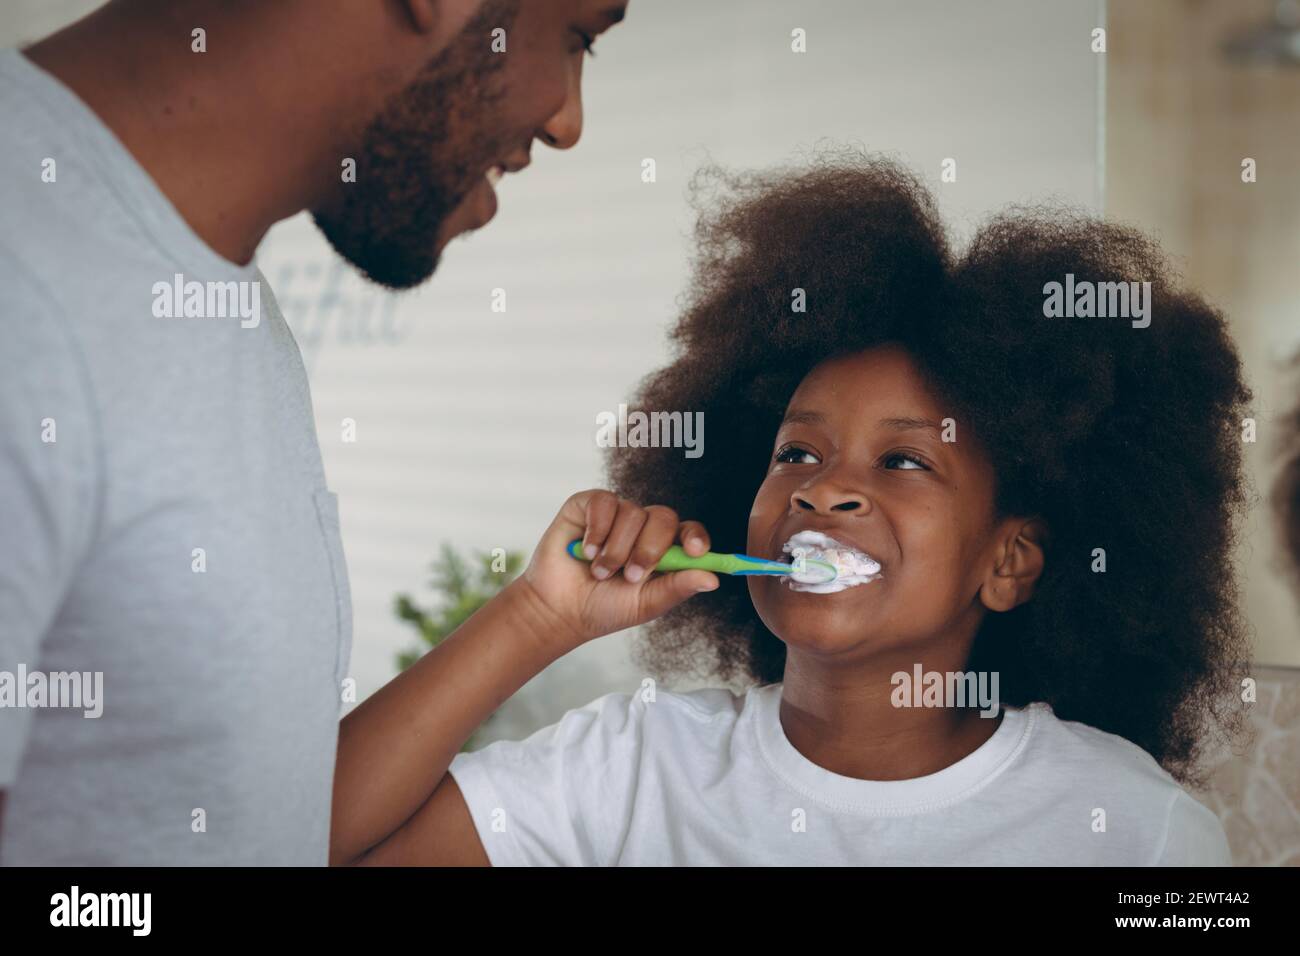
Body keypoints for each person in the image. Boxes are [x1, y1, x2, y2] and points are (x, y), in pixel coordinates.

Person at [333, 153, 1248, 865]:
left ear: (1009, 562)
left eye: (903, 460)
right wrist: (534, 614)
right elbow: (293, 846)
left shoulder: (1135, 830)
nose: (823, 488)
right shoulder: (635, 769)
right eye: (796, 453)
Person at [0, 0, 629, 865]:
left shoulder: (215, 290)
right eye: (579, 36)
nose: (568, 120)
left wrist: (535, 616)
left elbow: (256, 824)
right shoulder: (27, 272)